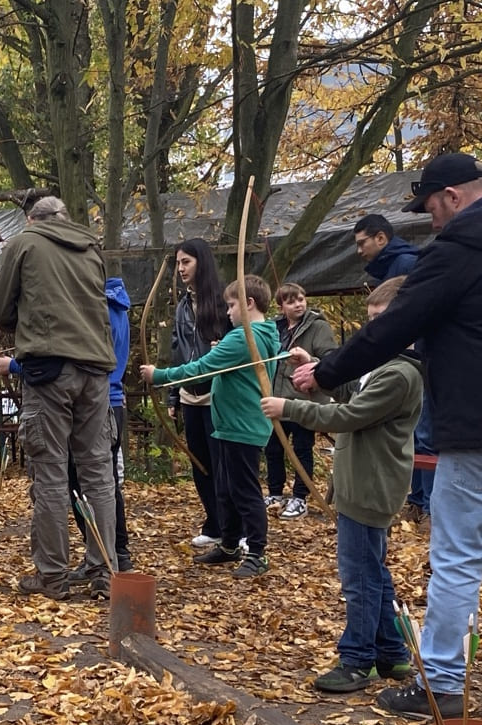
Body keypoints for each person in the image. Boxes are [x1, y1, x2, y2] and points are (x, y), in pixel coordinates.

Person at [294, 152, 482, 725]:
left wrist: (326, 372)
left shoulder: (456, 253)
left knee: (459, 561)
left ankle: (440, 683)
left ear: (454, 196)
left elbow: (392, 326)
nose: (430, 219)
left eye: (431, 207)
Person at [263, 276, 418, 693]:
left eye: (382, 321)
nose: (373, 331)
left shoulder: (401, 374)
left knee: (360, 576)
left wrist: (288, 406)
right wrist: (314, 371)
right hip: (360, 482)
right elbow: (352, 394)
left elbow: (348, 416)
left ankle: (358, 660)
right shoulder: (383, 366)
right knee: (373, 571)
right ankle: (391, 654)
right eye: (370, 322)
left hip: (371, 486)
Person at [0, 195, 118, 602]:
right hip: (95, 370)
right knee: (98, 472)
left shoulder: (25, 242)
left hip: (49, 371)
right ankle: (105, 570)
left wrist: (25, 320)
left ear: (31, 219)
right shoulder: (91, 248)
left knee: (51, 473)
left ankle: (53, 574)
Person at [140, 274, 280, 579]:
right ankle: (230, 544)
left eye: (231, 306)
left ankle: (257, 552)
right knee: (227, 487)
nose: (227, 312)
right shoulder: (258, 334)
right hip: (233, 424)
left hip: (242, 426)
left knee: (245, 491)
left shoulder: (245, 337)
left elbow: (201, 368)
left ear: (249, 304)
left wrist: (160, 375)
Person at [0, 275, 133, 575]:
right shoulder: (113, 306)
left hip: (96, 401)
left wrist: (14, 365)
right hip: (107, 400)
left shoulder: (95, 308)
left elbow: (69, 360)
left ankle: (108, 557)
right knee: (96, 480)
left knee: (83, 482)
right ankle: (110, 557)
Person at [352, 214, 432, 518]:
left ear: (381, 238)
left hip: (414, 362)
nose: (359, 250)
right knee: (413, 432)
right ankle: (418, 500)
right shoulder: (392, 266)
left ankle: (425, 504)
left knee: (422, 434)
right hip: (404, 360)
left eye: (363, 243)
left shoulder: (405, 266)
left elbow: (406, 319)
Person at [167, 238, 233, 548]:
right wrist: (172, 396)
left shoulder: (223, 302)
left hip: (217, 396)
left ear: (201, 263)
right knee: (201, 463)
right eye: (178, 263)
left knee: (223, 464)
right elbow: (177, 350)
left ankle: (235, 527)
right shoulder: (182, 305)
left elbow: (239, 344)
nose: (180, 268)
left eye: (186, 262)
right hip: (188, 395)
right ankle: (214, 523)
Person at [264, 282, 338, 520]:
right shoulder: (274, 327)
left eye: (301, 299)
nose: (298, 304)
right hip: (277, 397)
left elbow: (331, 360)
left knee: (302, 449)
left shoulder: (318, 326)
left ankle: (300, 497)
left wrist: (308, 358)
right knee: (273, 448)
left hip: (303, 400)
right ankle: (275, 493)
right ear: (281, 306)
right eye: (291, 301)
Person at [353, 214, 420, 282]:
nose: (359, 251)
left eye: (361, 243)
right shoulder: (382, 270)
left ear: (380, 238)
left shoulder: (408, 264)